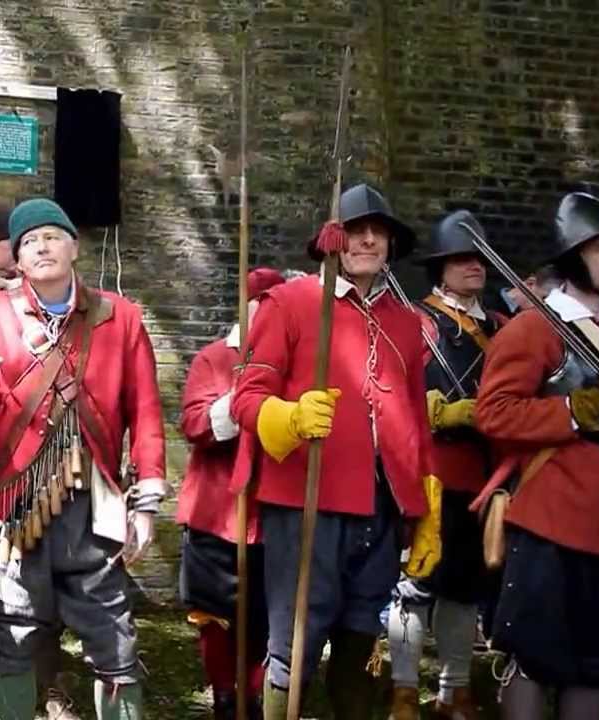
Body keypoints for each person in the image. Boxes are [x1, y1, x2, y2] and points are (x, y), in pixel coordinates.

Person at [0, 198, 167, 720]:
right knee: (13, 633)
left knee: (114, 640)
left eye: (52, 236)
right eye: (29, 241)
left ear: (74, 246)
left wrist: (147, 503)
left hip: (96, 506)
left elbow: (146, 412)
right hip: (13, 506)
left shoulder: (121, 318)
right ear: (16, 258)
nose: (42, 247)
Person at [230, 184, 440, 719]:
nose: (368, 240)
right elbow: (247, 398)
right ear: (332, 239)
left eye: (379, 231)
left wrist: (426, 501)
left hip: (381, 505)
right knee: (295, 643)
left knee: (362, 635)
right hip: (305, 504)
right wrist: (290, 417)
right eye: (355, 229)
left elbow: (415, 416)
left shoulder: (406, 321)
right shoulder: (290, 303)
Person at [475, 191, 599, 719]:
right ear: (571, 256)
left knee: (598, 666)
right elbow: (493, 413)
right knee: (536, 659)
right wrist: (575, 411)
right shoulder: (535, 328)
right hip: (553, 516)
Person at [387, 210, 505, 720]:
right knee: (416, 585)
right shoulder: (417, 321)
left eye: (479, 258)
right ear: (441, 268)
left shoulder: (501, 326)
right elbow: (394, 391)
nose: (473, 266)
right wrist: (441, 409)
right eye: (461, 258)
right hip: (431, 470)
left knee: (465, 587)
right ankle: (404, 689)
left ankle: (454, 689)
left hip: (484, 475)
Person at [177, 267, 285, 720]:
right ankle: (224, 695)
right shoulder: (214, 358)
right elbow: (195, 424)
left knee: (265, 617)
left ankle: (255, 699)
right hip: (217, 511)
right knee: (216, 616)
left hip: (275, 512)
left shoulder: (292, 361)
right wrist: (245, 397)